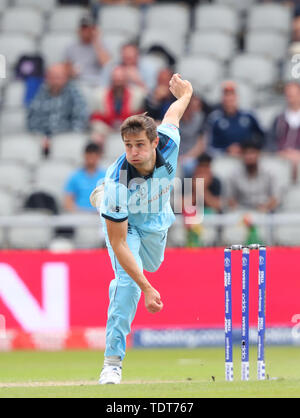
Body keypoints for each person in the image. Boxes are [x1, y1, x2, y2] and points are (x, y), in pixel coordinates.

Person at [90, 73, 193, 384]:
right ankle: (112, 363)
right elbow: (120, 244)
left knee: (151, 265)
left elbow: (173, 114)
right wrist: (145, 288)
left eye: (139, 145)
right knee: (129, 284)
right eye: (127, 145)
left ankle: (99, 200)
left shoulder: (170, 142)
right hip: (126, 226)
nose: (133, 152)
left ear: (155, 142)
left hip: (156, 219)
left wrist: (185, 94)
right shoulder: (120, 183)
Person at [27, 63, 88, 154]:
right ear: (47, 78)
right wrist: (41, 136)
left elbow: (80, 118)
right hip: (43, 138)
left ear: (65, 78)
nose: (55, 81)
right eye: (52, 77)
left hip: (66, 136)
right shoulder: (40, 93)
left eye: (58, 77)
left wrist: (65, 138)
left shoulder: (74, 93)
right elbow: (32, 118)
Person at [205, 81, 265, 156]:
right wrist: (226, 150)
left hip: (245, 157)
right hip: (223, 158)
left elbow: (262, 137)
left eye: (232, 95)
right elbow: (209, 145)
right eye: (226, 96)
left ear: (236, 97)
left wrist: (249, 149)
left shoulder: (248, 116)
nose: (229, 99)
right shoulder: (214, 118)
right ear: (222, 99)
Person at [90, 65, 145, 141]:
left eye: (121, 79)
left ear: (126, 79)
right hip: (106, 130)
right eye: (116, 79)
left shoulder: (137, 94)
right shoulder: (100, 95)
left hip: (130, 129)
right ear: (111, 80)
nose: (118, 81)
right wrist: (107, 129)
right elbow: (95, 119)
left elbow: (140, 117)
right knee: (96, 135)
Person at [227, 139, 281, 213]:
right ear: (241, 155)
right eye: (246, 153)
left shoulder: (269, 173)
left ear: (259, 154)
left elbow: (275, 198)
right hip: (241, 213)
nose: (249, 157)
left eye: (252, 153)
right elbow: (230, 199)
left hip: (265, 212)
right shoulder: (234, 174)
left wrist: (265, 207)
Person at [65, 15, 111, 86]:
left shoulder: (102, 45)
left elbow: (107, 65)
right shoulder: (71, 47)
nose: (86, 31)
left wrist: (95, 40)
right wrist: (71, 71)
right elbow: (66, 67)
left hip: (98, 82)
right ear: (79, 30)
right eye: (84, 28)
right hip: (78, 82)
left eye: (90, 28)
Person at [269, 82, 300, 179]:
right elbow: (269, 140)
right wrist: (280, 152)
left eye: (294, 94)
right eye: (288, 94)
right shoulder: (279, 119)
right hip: (280, 159)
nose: (291, 97)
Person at [64, 143, 106, 212]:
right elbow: (68, 200)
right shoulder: (75, 176)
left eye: (94, 156)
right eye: (89, 156)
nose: (91, 160)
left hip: (99, 215)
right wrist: (75, 212)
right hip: (79, 214)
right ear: (85, 156)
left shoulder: (106, 176)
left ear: (99, 157)